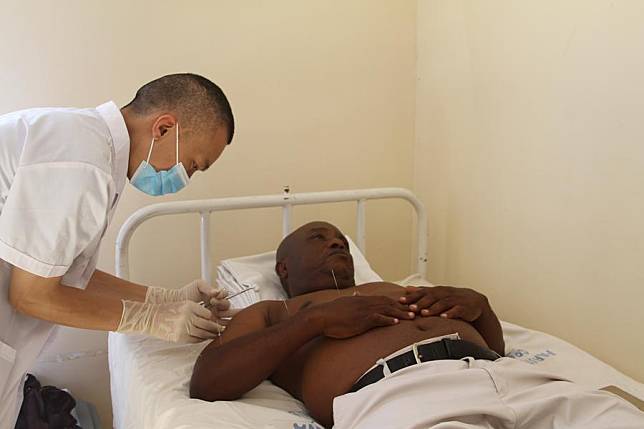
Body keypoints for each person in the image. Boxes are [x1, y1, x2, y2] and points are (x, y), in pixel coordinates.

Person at [190, 221, 644, 428]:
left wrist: (480, 309)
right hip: (402, 400)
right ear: (283, 269)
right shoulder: (274, 314)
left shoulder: (391, 287)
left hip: (504, 377)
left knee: (618, 418)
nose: (337, 245)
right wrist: (314, 322)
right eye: (319, 238)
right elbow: (208, 382)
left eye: (343, 241)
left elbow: (497, 348)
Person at [0, 73, 236, 428]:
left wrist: (164, 299)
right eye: (192, 165)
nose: (185, 178)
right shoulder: (80, 162)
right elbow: (31, 295)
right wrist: (149, 320)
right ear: (163, 128)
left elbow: (64, 275)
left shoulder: (88, 147)